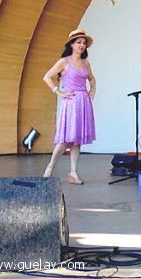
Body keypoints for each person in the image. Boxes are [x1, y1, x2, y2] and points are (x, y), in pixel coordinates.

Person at [42, 29, 97, 185]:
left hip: (83, 102)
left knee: (76, 139)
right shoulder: (64, 62)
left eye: (84, 43)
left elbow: (92, 79)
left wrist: (92, 89)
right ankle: (50, 167)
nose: (81, 45)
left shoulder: (86, 63)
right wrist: (57, 91)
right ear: (71, 44)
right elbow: (47, 77)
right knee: (66, 139)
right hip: (71, 102)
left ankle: (73, 172)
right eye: (78, 42)